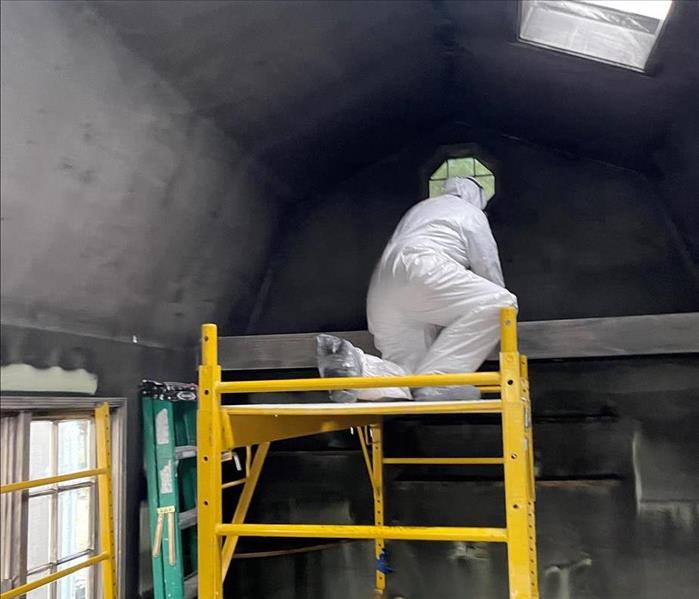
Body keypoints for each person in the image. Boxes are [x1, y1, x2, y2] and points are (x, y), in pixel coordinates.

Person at [317, 176, 517, 402]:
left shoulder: (419, 209)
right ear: (475, 197)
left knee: (409, 379)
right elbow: (487, 267)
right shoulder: (470, 213)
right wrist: (501, 327)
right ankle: (439, 379)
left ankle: (359, 366)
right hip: (423, 271)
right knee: (502, 304)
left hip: (382, 289)